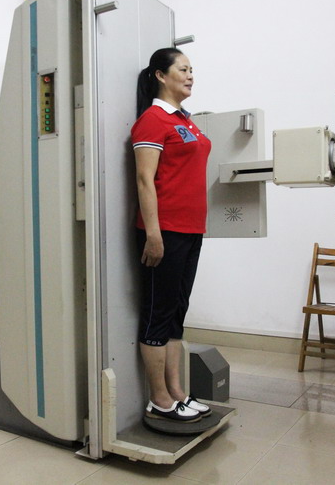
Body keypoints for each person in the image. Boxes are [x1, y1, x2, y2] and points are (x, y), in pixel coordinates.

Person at [131, 47, 212, 423]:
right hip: (165, 231)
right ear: (161, 76)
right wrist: (153, 234)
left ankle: (177, 392)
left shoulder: (186, 121)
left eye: (192, 69)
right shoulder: (152, 120)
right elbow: (144, 180)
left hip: (191, 229)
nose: (190, 75)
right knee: (158, 314)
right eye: (183, 69)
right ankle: (159, 398)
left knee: (178, 312)